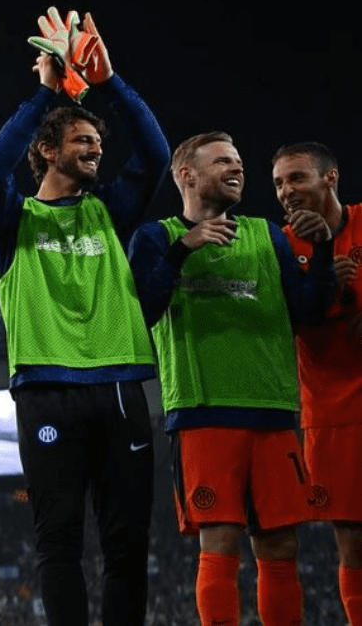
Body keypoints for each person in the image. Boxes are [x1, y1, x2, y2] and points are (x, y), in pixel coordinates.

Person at [0, 11, 169, 626]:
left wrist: (110, 84)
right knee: (58, 543)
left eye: (99, 143)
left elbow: (156, 154)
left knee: (126, 546)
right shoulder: (13, 223)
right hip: (45, 389)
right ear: (48, 149)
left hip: (118, 385)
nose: (96, 150)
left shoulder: (111, 213)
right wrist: (47, 94)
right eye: (83, 140)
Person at [128, 131, 334, 625]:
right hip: (204, 414)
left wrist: (323, 251)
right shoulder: (155, 237)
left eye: (239, 161)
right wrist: (182, 249)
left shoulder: (268, 235)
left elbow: (309, 312)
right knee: (219, 545)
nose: (236, 168)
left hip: (274, 412)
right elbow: (141, 316)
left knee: (281, 547)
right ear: (187, 174)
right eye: (223, 161)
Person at [271, 141, 362, 622]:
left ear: (330, 178)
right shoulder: (283, 246)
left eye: (297, 178)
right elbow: (283, 321)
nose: (286, 191)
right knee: (353, 539)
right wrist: (327, 286)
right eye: (280, 183)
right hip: (332, 413)